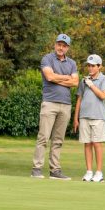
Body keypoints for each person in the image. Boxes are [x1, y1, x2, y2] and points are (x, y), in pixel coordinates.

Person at [33, 33, 79, 180]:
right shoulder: (47, 59)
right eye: (59, 44)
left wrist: (57, 77)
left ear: (67, 48)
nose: (61, 48)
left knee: (58, 140)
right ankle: (37, 169)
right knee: (43, 137)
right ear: (55, 45)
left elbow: (75, 82)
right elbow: (49, 76)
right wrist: (66, 77)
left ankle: (55, 171)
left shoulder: (72, 63)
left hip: (65, 105)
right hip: (49, 103)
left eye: (64, 46)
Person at [74, 54, 105, 182]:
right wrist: (76, 118)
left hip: (97, 116)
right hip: (84, 116)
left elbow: (103, 96)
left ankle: (99, 173)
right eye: (89, 65)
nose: (90, 68)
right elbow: (79, 99)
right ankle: (89, 171)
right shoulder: (83, 81)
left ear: (99, 66)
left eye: (93, 66)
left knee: (97, 143)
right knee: (87, 144)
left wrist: (91, 85)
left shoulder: (104, 79)